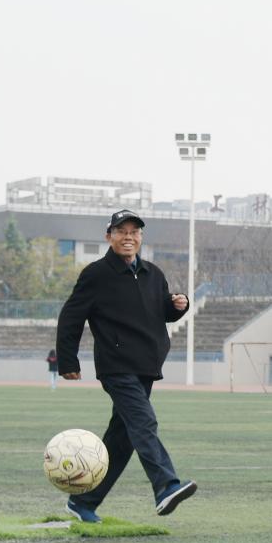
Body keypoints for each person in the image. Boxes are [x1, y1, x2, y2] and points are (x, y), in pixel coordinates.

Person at [55, 209, 195, 523]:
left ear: (141, 237)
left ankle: (83, 501)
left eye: (134, 232)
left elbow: (160, 311)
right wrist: (67, 360)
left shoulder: (153, 273)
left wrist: (178, 306)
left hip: (146, 367)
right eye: (121, 232)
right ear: (110, 236)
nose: (128, 237)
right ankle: (166, 485)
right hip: (116, 367)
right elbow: (71, 316)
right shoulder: (96, 274)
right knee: (144, 421)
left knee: (123, 439)